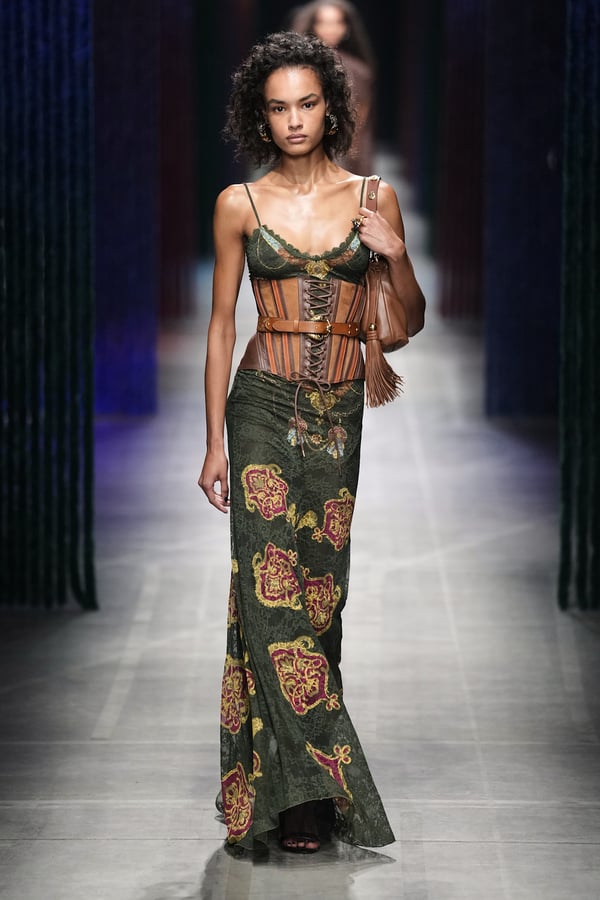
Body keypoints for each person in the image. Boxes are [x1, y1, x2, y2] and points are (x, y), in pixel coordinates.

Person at [198, 30, 425, 855]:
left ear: (331, 108)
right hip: (261, 404)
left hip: (337, 415)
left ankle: (297, 782)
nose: (293, 120)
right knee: (271, 595)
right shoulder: (239, 204)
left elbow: (408, 321)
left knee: (320, 598)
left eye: (307, 104)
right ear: (258, 117)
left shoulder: (373, 198)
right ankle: (307, 799)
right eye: (277, 108)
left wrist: (396, 256)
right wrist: (214, 441)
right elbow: (222, 326)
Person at [290, 0, 377, 175]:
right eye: (323, 22)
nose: (331, 29)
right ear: (312, 25)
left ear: (347, 27)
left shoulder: (359, 72)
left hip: (343, 155)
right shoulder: (293, 67)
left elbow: (360, 124)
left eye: (338, 22)